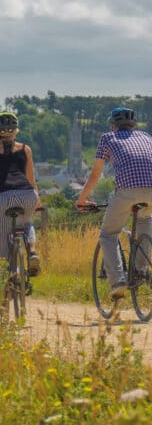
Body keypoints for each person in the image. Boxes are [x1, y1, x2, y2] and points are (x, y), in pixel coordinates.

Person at [76, 107, 152, 299]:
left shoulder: (108, 138)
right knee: (144, 221)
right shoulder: (146, 137)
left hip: (126, 191)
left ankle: (118, 281)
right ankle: (141, 271)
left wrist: (82, 199)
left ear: (113, 124)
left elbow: (95, 175)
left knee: (108, 234)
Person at [0, 112, 42, 292]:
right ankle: (32, 252)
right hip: (27, 195)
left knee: (1, 254)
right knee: (27, 224)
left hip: (2, 199)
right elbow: (31, 179)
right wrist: (38, 202)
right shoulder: (26, 149)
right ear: (16, 130)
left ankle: (2, 298)